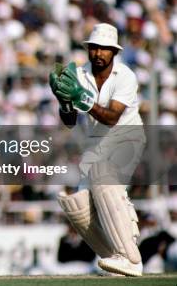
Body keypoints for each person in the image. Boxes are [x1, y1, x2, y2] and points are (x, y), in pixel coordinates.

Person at [49, 23, 146, 276]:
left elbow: (112, 117)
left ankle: (131, 258)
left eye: (104, 49)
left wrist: (82, 99)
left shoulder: (125, 76)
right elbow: (69, 122)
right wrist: (65, 103)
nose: (98, 53)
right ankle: (115, 260)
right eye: (94, 48)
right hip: (96, 144)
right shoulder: (80, 75)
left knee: (104, 175)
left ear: (113, 52)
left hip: (127, 138)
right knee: (78, 206)